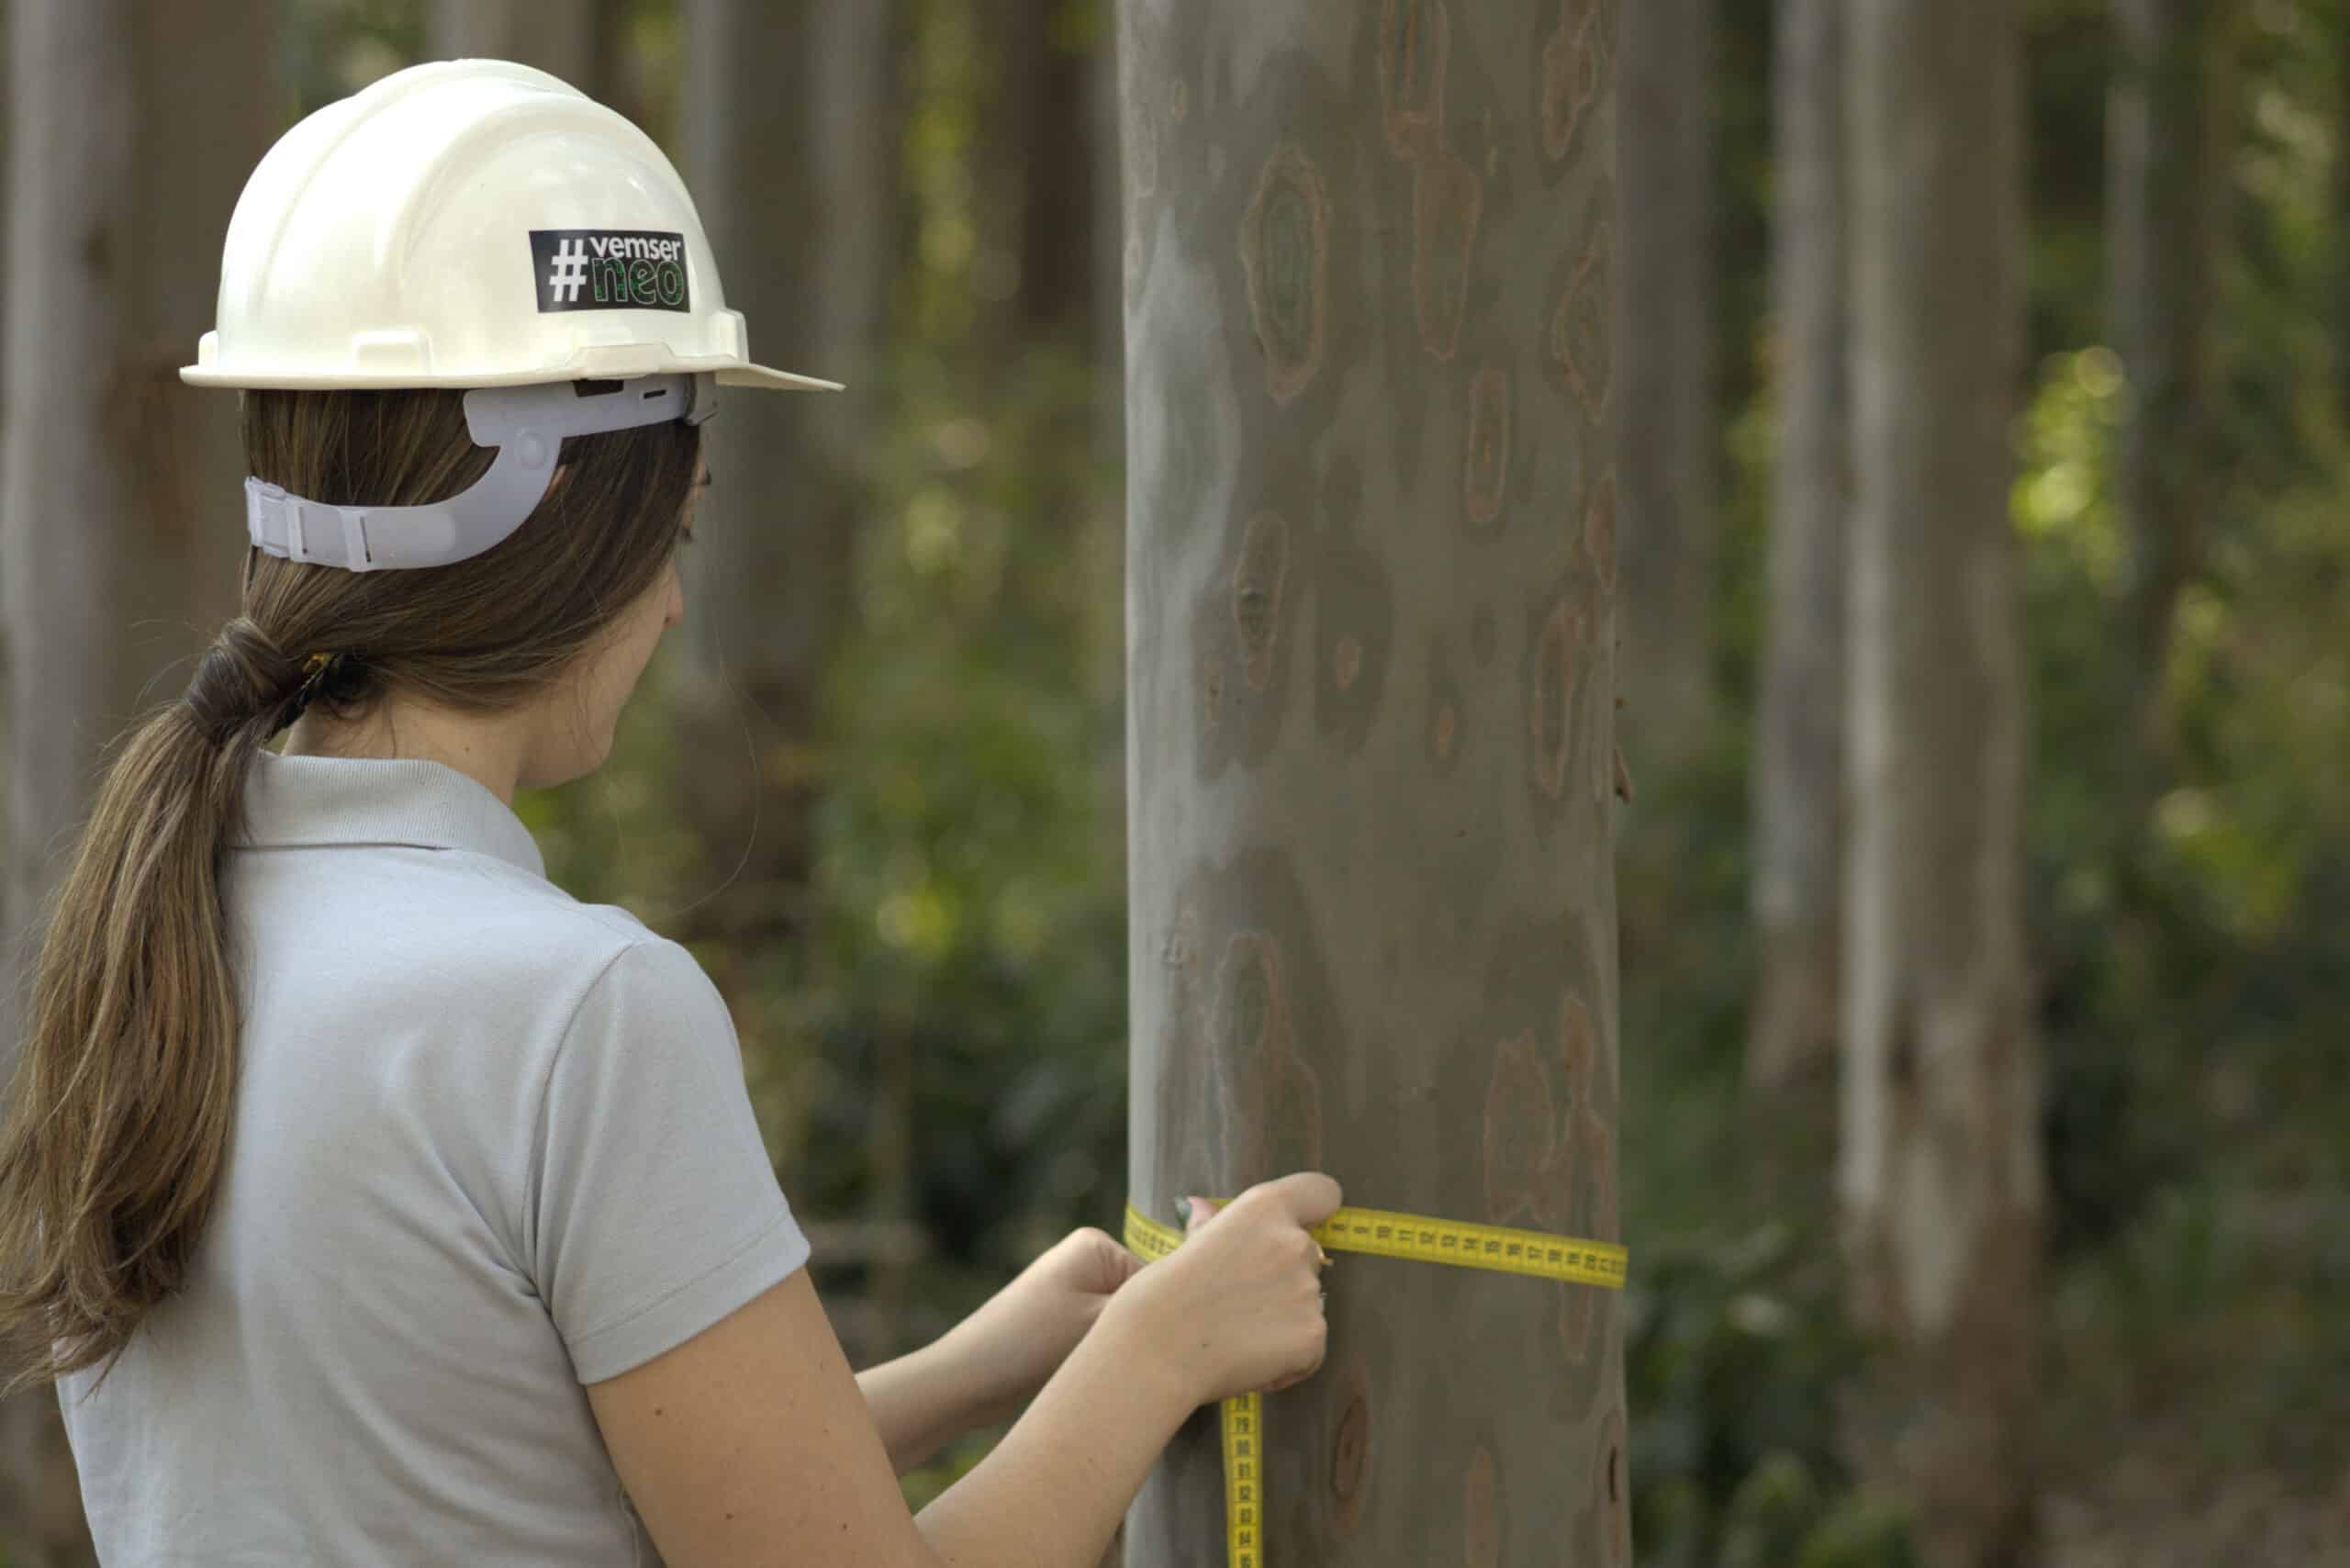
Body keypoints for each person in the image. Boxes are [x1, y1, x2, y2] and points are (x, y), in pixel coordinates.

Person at [0, 59, 1337, 1567]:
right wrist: (1163, 1351)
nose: (678, 597)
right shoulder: (578, 1013)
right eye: (674, 528)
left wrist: (998, 1363)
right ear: (576, 521)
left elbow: (497, 1461)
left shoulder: (156, 939)